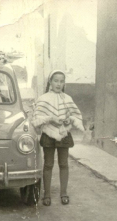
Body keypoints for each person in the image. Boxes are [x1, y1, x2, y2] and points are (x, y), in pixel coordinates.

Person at [32, 70, 85, 206]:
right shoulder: (43, 98)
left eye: (62, 81)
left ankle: (64, 193)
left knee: (64, 164)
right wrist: (50, 119)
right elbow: (37, 118)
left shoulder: (67, 98)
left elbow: (75, 115)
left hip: (63, 134)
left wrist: (69, 121)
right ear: (50, 82)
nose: (59, 84)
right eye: (56, 81)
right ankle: (47, 194)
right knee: (48, 164)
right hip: (48, 135)